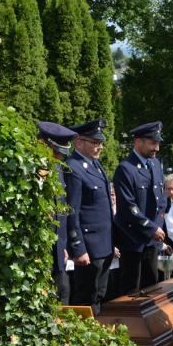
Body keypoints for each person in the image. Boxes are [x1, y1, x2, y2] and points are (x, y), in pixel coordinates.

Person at [65, 119, 115, 315]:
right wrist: (78, 248)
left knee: (99, 295)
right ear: (79, 142)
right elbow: (72, 211)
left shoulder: (95, 165)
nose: (100, 147)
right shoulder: (74, 167)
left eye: (100, 142)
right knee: (86, 297)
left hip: (104, 245)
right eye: (95, 142)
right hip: (89, 248)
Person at [113, 121, 169, 295]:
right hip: (133, 240)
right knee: (131, 292)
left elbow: (161, 200)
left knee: (152, 287)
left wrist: (157, 226)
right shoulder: (126, 169)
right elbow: (129, 207)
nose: (157, 148)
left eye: (158, 143)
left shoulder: (155, 165)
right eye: (153, 143)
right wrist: (151, 228)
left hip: (152, 241)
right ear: (138, 142)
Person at [38, 121, 78, 304]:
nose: (60, 157)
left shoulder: (58, 168)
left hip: (58, 253)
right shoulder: (35, 170)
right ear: (45, 145)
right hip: (40, 254)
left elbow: (61, 211)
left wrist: (63, 245)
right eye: (57, 153)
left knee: (63, 295)